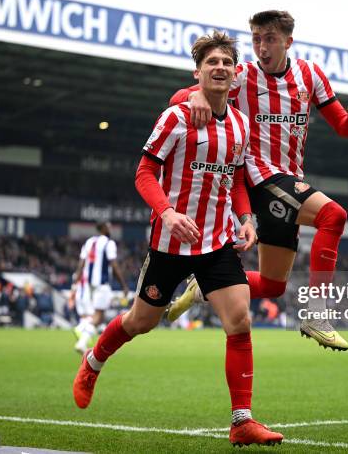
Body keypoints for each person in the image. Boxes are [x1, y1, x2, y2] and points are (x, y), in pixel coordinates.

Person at [72, 31, 284, 447]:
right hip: (170, 244)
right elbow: (143, 172)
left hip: (218, 241)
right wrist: (167, 213)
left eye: (226, 62)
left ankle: (242, 421)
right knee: (141, 322)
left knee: (240, 320)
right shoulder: (177, 116)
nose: (220, 68)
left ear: (236, 72)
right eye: (211, 63)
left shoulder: (240, 124)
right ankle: (93, 362)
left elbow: (235, 179)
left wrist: (246, 218)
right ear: (198, 72)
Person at [167, 10, 348, 351]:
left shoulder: (310, 75)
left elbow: (343, 127)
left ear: (288, 42)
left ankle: (203, 285)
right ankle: (317, 314)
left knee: (274, 285)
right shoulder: (241, 75)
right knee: (333, 215)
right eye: (256, 39)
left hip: (288, 181)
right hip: (257, 176)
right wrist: (196, 95)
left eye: (270, 39)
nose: (262, 47)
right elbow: (177, 97)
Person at [72, 221, 128, 354]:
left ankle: (82, 328)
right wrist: (123, 285)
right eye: (108, 226)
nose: (110, 228)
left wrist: (76, 281)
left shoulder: (89, 242)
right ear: (103, 228)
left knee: (95, 314)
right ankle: (82, 339)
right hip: (102, 284)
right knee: (99, 316)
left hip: (89, 284)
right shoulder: (109, 243)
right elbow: (113, 265)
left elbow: (81, 263)